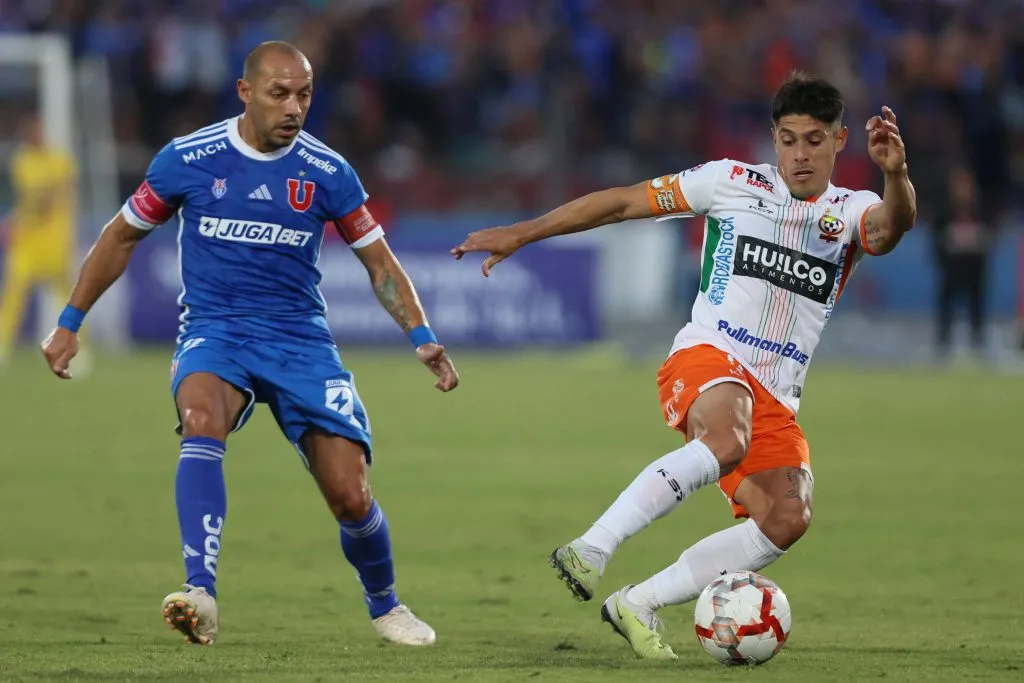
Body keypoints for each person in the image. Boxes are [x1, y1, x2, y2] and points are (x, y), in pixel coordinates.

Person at [453, 72, 916, 659]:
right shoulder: (728, 181)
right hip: (708, 356)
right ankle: (592, 547)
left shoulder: (852, 211)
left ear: (840, 140)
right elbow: (622, 202)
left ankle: (637, 602)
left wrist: (896, 173)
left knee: (787, 515)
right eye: (790, 139)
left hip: (777, 392)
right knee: (728, 437)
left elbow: (893, 227)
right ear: (773, 140)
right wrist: (525, 232)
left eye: (816, 140)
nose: (801, 154)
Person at [40, 41, 459, 647]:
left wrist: (422, 337)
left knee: (349, 493)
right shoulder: (189, 158)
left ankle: (386, 604)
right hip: (217, 331)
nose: (294, 107)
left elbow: (380, 264)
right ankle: (199, 591)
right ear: (245, 92)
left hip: (299, 341)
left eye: (305, 94)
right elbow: (121, 236)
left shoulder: (328, 172)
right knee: (200, 419)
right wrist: (70, 321)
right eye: (279, 93)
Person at [0, 113, 77, 367]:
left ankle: (77, 348)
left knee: (73, 299)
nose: (38, 136)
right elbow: (37, 198)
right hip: (27, 242)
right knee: (13, 293)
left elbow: (58, 195)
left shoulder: (61, 160)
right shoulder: (22, 162)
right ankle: (3, 346)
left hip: (55, 242)